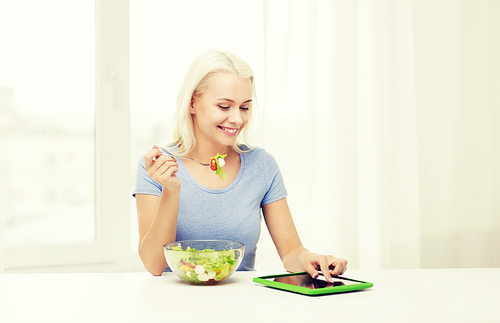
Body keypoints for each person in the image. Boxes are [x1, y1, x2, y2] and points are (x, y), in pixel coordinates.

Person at [133, 49, 347, 282]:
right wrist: (171, 191)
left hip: (243, 303)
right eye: (224, 107)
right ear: (193, 103)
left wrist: (309, 258)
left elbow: (291, 252)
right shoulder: (158, 166)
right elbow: (154, 265)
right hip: (172, 305)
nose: (237, 119)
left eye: (244, 107)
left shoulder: (262, 165)